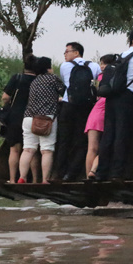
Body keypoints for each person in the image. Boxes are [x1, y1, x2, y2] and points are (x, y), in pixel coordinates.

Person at [94, 29, 133, 182]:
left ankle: (101, 172)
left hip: (112, 98)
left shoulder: (121, 56)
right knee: (121, 135)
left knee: (108, 135)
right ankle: (117, 173)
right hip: (126, 99)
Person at [54, 41, 101, 181]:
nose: (64, 54)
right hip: (86, 107)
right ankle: (72, 174)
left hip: (68, 106)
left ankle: (59, 173)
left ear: (76, 52)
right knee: (81, 141)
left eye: (67, 51)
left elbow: (66, 84)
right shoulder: (94, 66)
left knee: (64, 140)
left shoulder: (64, 66)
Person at [18, 57, 65, 184]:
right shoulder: (53, 78)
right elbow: (64, 92)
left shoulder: (34, 81)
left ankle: (22, 177)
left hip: (28, 117)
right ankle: (45, 180)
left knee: (28, 149)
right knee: (46, 150)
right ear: (48, 68)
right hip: (46, 118)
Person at [1, 53, 36, 184]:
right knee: (32, 150)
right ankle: (35, 180)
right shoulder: (38, 80)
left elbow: (5, 97)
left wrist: (7, 106)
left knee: (14, 150)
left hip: (15, 117)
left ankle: (12, 179)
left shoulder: (17, 78)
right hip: (34, 117)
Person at [84, 53, 117, 180]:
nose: (102, 66)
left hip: (94, 114)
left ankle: (88, 177)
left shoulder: (98, 79)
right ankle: (93, 171)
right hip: (105, 113)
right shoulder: (113, 77)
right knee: (105, 146)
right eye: (101, 63)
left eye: (104, 63)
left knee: (91, 148)